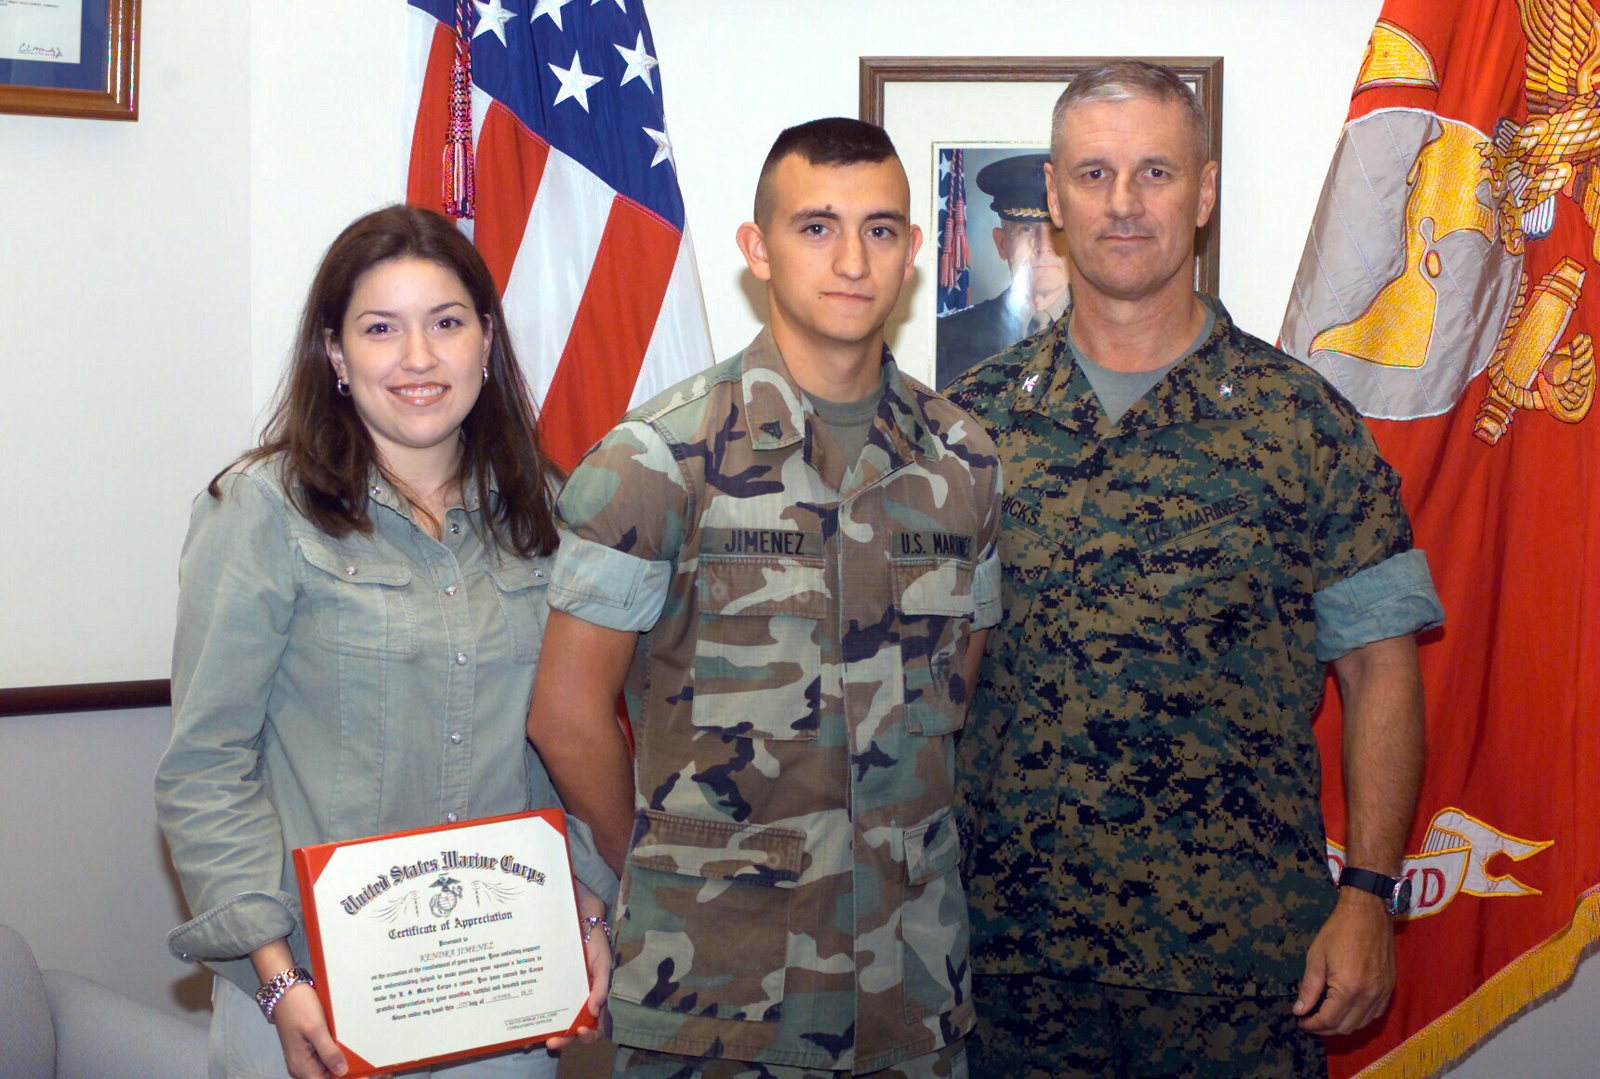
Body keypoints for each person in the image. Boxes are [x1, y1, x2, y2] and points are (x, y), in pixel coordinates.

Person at [943, 61, 1445, 1078]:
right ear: (1053, 193)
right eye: (1093, 174)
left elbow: (1381, 669)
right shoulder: (964, 427)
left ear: (1203, 193)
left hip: (1243, 973)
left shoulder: (1301, 423)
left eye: (1155, 173)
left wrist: (1368, 893)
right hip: (1011, 968)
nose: (1122, 204)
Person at [525, 118, 1003, 1078]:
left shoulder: (963, 459)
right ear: (758, 250)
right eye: (817, 227)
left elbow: (956, 696)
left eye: (879, 229)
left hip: (909, 986)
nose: (852, 259)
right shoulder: (656, 460)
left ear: (913, 252)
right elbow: (566, 716)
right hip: (717, 995)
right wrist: (660, 866)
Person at [154, 205, 616, 1079]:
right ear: (335, 354)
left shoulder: (549, 513)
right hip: (313, 1002)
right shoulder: (259, 511)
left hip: (502, 996)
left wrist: (590, 912)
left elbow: (571, 745)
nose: (417, 358)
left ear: (486, 339)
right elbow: (207, 764)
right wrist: (275, 977)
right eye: (380, 328)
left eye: (446, 323)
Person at [934, 152, 1070, 388]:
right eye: (1026, 229)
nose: (1043, 247)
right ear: (1002, 243)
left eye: (1056, 231)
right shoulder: (949, 337)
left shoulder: (1112, 332)